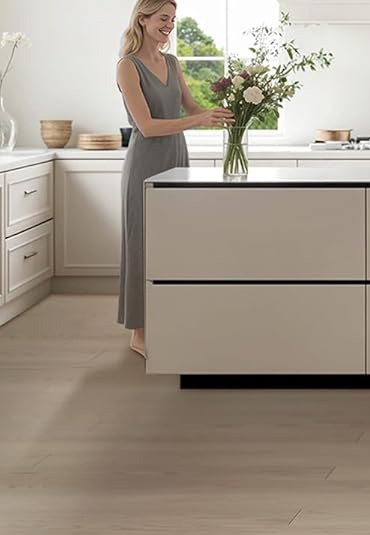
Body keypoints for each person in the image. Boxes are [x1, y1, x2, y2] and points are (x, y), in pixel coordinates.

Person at [116, 0, 232, 357]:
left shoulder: (171, 62)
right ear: (143, 19)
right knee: (142, 244)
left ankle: (169, 319)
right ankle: (140, 333)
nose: (169, 25)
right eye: (163, 18)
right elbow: (148, 126)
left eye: (173, 19)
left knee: (174, 242)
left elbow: (192, 108)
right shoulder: (127, 66)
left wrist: (229, 108)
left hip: (177, 159)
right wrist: (197, 121)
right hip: (145, 162)